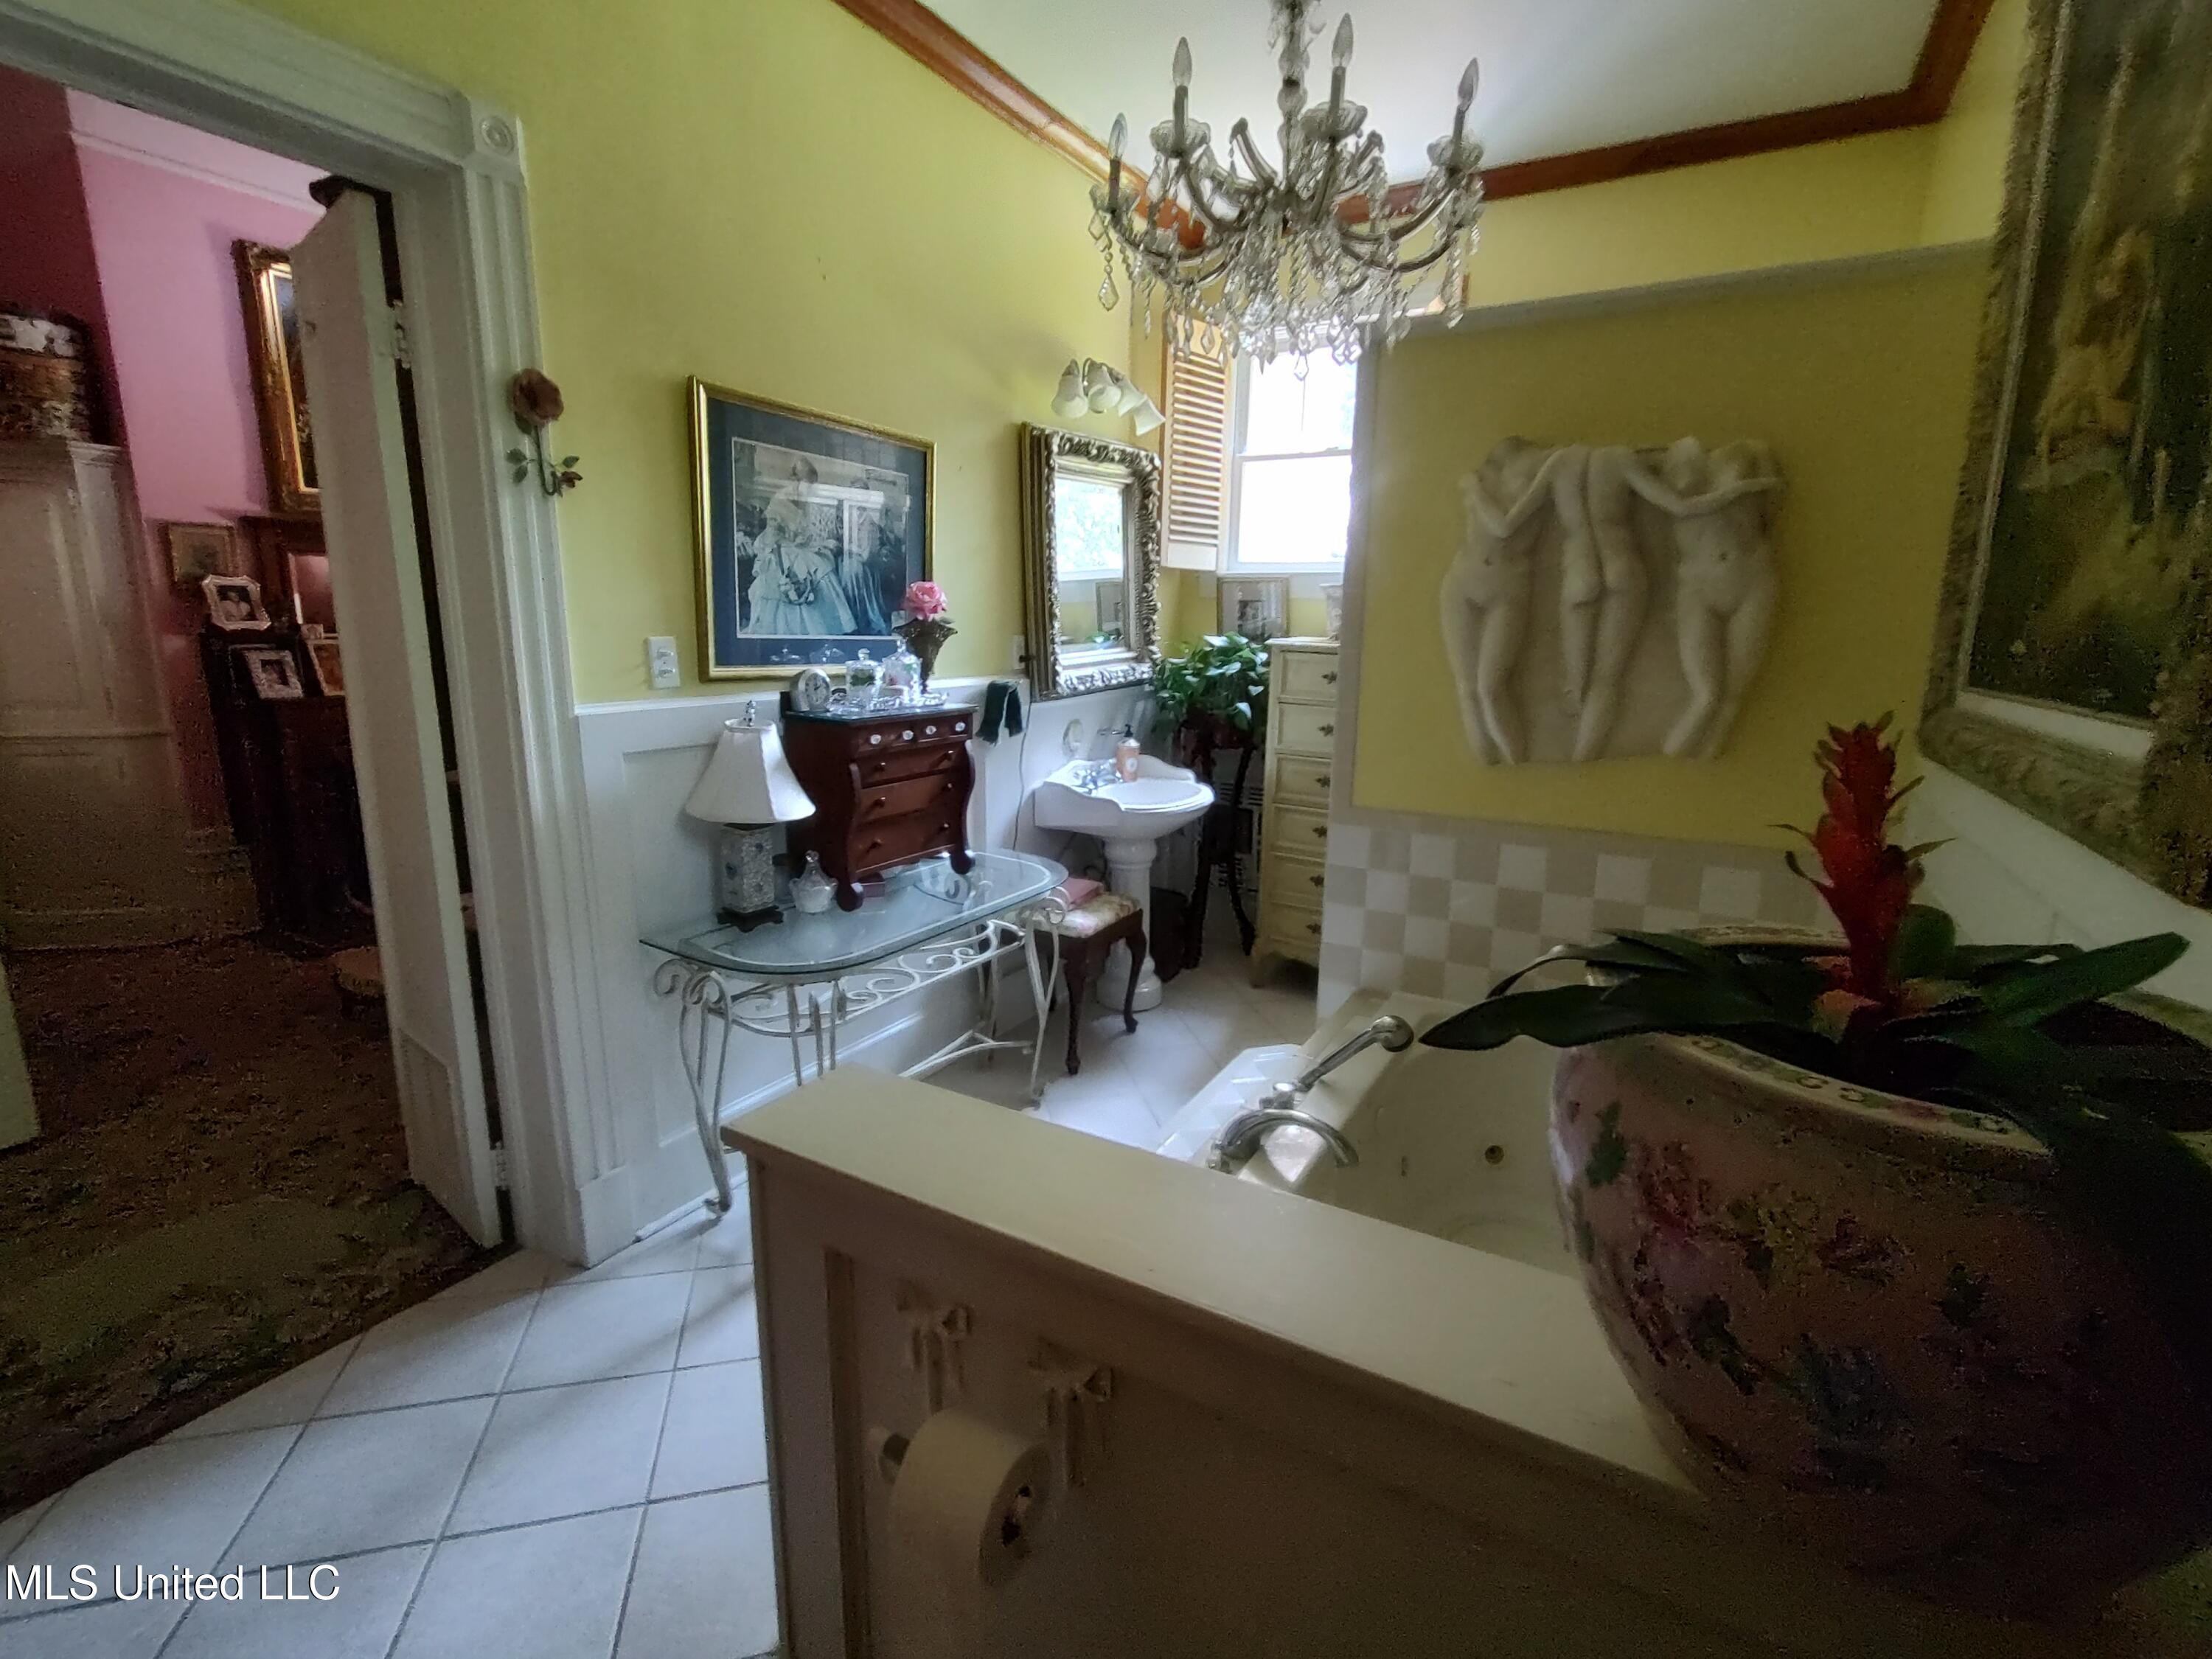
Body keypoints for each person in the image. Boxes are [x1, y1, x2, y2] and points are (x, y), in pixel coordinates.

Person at [743, 461, 858, 638]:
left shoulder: (805, 500)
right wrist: (788, 546)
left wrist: (817, 543)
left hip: (800, 548)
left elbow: (807, 533)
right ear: (798, 480)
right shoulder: (780, 500)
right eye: (809, 483)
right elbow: (773, 535)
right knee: (803, 571)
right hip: (781, 550)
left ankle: (827, 632)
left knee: (822, 567)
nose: (812, 488)